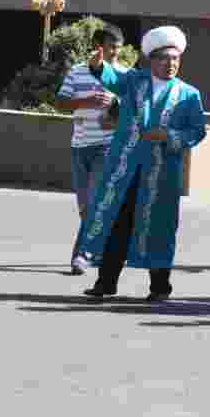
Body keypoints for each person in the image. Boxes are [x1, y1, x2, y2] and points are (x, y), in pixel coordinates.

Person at [80, 26, 208, 301]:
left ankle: (160, 287)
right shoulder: (135, 81)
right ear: (152, 60)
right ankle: (106, 283)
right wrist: (98, 67)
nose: (171, 64)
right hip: (126, 170)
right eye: (164, 59)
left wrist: (169, 136)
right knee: (117, 223)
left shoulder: (189, 94)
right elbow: (112, 78)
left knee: (160, 228)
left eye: (175, 59)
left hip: (161, 175)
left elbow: (197, 131)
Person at [55, 25, 126, 275]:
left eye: (118, 48)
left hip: (107, 147)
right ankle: (101, 248)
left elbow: (134, 113)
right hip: (79, 147)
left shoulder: (123, 75)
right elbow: (61, 103)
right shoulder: (77, 72)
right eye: (111, 48)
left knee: (95, 203)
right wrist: (87, 101)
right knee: (86, 208)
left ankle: (81, 255)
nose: (115, 53)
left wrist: (116, 110)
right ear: (98, 47)